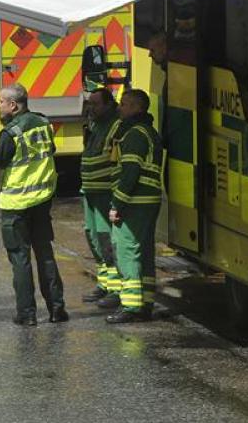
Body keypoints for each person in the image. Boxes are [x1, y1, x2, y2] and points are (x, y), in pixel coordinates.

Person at [0, 84, 67, 326]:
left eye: (1, 102)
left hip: (16, 205)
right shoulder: (44, 124)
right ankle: (57, 309)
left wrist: (1, 186)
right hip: (42, 200)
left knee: (20, 258)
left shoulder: (10, 133)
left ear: (13, 106)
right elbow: (49, 152)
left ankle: (27, 313)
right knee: (45, 254)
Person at [107, 90, 163, 323]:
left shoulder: (134, 135)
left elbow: (130, 173)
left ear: (137, 108)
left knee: (127, 250)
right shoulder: (149, 131)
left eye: (125, 104)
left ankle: (130, 306)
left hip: (135, 202)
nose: (120, 108)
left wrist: (117, 203)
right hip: (149, 201)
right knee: (145, 252)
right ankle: (145, 302)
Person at [80, 88, 122, 309]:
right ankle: (104, 283)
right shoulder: (95, 123)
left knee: (107, 238)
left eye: (95, 104)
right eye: (89, 103)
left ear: (108, 104)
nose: (91, 108)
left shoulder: (115, 125)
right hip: (90, 190)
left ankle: (117, 288)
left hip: (105, 191)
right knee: (93, 235)